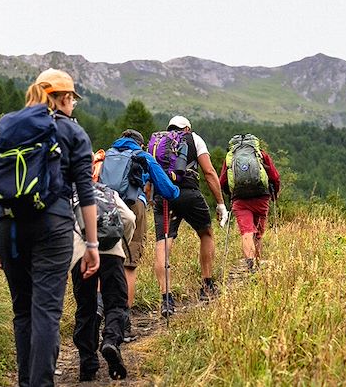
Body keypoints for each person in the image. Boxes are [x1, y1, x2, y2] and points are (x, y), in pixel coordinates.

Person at [0, 69, 100, 387]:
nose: (73, 105)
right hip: (53, 225)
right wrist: (91, 245)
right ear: (63, 98)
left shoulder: (10, 127)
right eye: (72, 99)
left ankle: (26, 383)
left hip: (8, 226)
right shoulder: (73, 133)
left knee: (22, 310)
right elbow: (86, 192)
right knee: (46, 310)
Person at [102, 129, 180, 338]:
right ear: (140, 144)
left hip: (104, 208)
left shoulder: (107, 155)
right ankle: (123, 325)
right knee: (128, 264)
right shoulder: (143, 157)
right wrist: (177, 192)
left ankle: (99, 311)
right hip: (132, 207)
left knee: (105, 259)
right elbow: (167, 189)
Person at [152, 116, 227, 316]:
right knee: (206, 234)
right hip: (188, 194)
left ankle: (166, 298)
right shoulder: (194, 138)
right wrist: (220, 204)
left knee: (163, 242)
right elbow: (209, 172)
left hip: (164, 196)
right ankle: (207, 285)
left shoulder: (158, 142)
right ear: (187, 127)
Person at [69, 184, 135, 381]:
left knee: (86, 308)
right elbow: (129, 218)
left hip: (80, 257)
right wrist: (120, 245)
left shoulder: (65, 194)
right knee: (116, 303)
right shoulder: (107, 191)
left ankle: (87, 364)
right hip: (111, 253)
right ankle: (111, 341)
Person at [219, 136, 281, 271]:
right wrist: (274, 195)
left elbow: (223, 181)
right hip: (261, 198)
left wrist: (229, 194)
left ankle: (250, 265)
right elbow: (275, 177)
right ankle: (257, 265)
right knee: (258, 233)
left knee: (247, 231)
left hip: (240, 199)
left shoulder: (230, 157)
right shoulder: (261, 154)